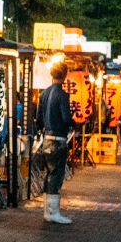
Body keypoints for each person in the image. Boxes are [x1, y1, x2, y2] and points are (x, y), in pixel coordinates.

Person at [39, 62, 75, 225]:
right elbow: (66, 118)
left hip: (46, 138)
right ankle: (53, 212)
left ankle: (47, 211)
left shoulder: (44, 93)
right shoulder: (62, 95)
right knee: (56, 174)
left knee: (49, 173)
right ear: (65, 75)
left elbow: (39, 117)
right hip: (59, 139)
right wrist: (73, 124)